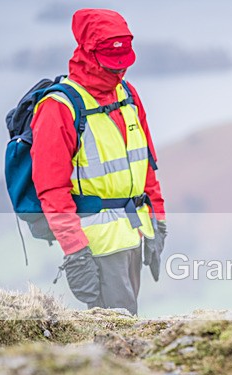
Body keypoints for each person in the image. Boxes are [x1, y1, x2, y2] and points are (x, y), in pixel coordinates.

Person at [31, 8, 166, 315]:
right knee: (114, 333)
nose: (120, 72)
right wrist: (76, 252)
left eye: (124, 64)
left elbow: (146, 164)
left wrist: (159, 222)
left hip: (134, 232)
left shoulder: (128, 95)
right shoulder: (59, 108)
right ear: (89, 54)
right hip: (97, 245)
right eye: (111, 65)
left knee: (128, 323)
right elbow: (52, 191)